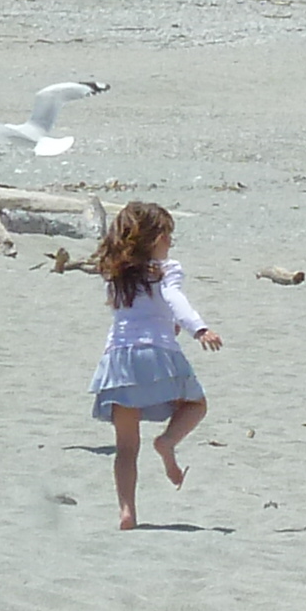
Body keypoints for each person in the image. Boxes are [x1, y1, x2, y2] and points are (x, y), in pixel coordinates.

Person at [87, 200, 218, 529]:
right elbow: (173, 299)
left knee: (126, 447)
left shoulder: (115, 273)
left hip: (118, 358)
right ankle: (167, 442)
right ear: (153, 239)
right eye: (167, 235)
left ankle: (127, 512)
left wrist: (167, 323)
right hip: (157, 353)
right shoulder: (167, 270)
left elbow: (135, 311)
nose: (171, 242)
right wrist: (198, 328)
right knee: (196, 405)